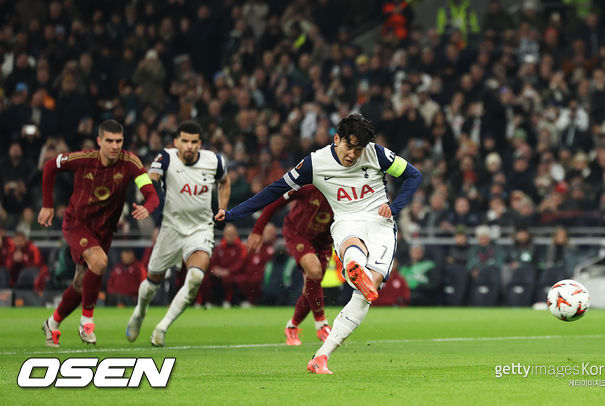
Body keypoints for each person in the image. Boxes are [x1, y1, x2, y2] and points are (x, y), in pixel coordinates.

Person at [215, 113, 422, 374]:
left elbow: (413, 175)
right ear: (337, 139)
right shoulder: (315, 163)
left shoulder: (376, 153)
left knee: (369, 292)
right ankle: (353, 267)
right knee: (353, 251)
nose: (353, 155)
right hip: (346, 220)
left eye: (359, 150)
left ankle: (321, 357)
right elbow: (275, 190)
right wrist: (233, 213)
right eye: (349, 146)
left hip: (380, 222)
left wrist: (395, 207)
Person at [39, 119, 159, 347]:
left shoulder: (131, 162)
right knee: (100, 261)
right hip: (77, 223)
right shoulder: (83, 159)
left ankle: (52, 323)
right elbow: (49, 167)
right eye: (110, 141)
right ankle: (87, 323)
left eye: (119, 141)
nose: (115, 146)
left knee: (80, 283)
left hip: (104, 231)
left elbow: (151, 194)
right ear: (99, 141)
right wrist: (47, 205)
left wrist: (147, 207)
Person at [126, 120, 230, 346]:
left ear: (200, 144)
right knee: (153, 281)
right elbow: (150, 180)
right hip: (171, 228)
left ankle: (162, 327)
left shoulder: (214, 161)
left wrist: (222, 208)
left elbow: (225, 182)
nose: (189, 146)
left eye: (194, 142)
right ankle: (140, 312)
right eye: (185, 141)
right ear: (176, 142)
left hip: (200, 228)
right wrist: (151, 202)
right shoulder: (165, 158)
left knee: (195, 277)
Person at [247, 184, 334, 346]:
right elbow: (275, 202)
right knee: (314, 272)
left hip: (324, 241)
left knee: (310, 288)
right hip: (297, 233)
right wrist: (258, 229)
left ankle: (292, 327)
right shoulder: (308, 186)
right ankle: (322, 324)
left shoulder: (347, 190)